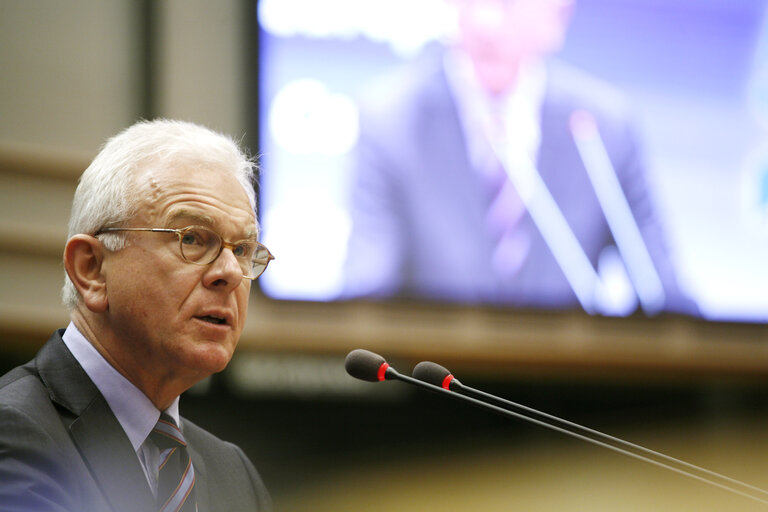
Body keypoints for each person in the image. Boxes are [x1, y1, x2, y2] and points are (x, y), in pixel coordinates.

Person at [342, 0, 696, 315]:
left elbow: (665, 296)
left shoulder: (603, 126)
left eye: (509, 4)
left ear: (559, 12)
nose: (486, 23)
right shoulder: (390, 120)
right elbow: (365, 295)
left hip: (567, 379)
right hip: (435, 379)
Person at [0, 119, 274, 511]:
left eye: (244, 249)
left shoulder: (234, 473)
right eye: (192, 239)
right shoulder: (14, 435)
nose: (230, 272)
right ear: (91, 269)